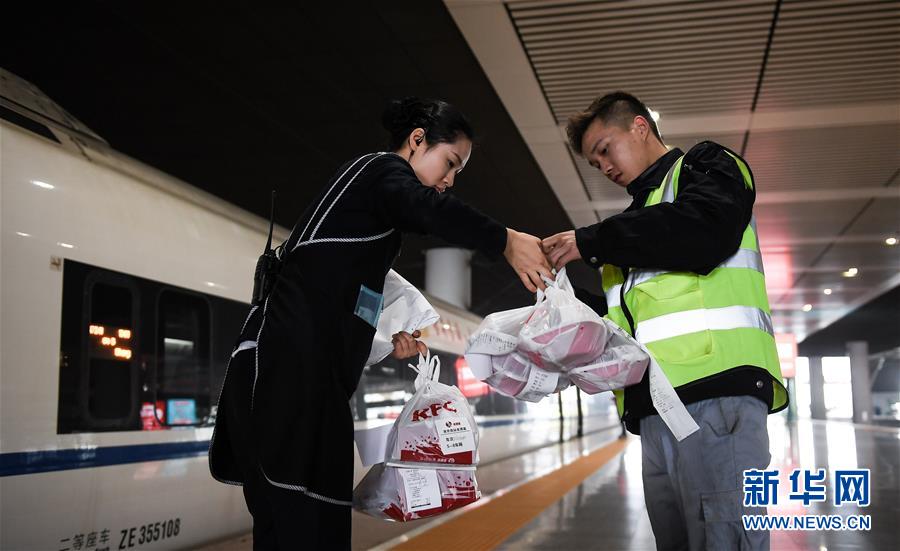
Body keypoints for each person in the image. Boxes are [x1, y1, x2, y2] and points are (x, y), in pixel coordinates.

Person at [208, 97, 551, 550]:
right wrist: (504, 240)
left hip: (296, 387)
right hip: (291, 388)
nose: (448, 181)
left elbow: (337, 293)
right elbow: (425, 207)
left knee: (298, 529)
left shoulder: (366, 217)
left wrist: (386, 338)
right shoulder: (377, 172)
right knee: (308, 530)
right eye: (449, 163)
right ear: (416, 140)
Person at [542, 91, 787, 551]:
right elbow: (630, 325)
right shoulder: (635, 225)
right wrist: (562, 307)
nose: (605, 168)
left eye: (604, 150)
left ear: (639, 126)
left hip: (716, 393)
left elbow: (705, 232)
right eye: (595, 164)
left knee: (724, 537)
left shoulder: (704, 167)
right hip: (656, 412)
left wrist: (589, 240)